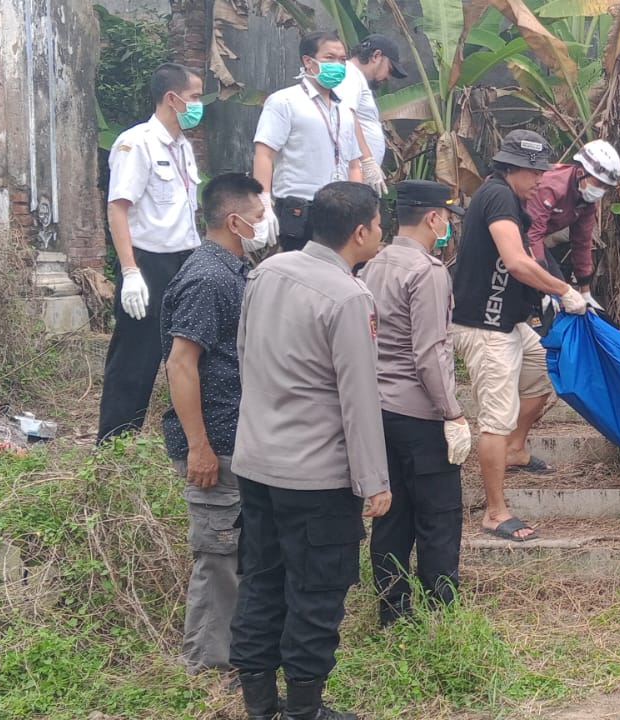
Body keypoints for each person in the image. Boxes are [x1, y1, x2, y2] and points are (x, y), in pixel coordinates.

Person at [230, 182, 392, 720]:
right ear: (360, 231)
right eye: (378, 223)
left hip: (256, 465)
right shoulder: (348, 296)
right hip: (316, 479)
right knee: (316, 593)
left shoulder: (264, 273)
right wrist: (375, 482)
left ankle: (259, 704)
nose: (381, 233)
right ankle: (303, 709)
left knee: (260, 580)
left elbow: (244, 355)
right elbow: (360, 398)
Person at [451, 129, 589, 542]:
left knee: (544, 371)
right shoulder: (497, 196)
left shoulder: (511, 198)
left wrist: (551, 294)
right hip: (484, 326)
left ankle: (515, 449)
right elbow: (515, 261)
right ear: (517, 168)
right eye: (535, 173)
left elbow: (528, 258)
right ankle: (495, 512)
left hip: (509, 324)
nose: (540, 181)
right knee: (494, 419)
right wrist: (562, 291)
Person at [160, 172, 269, 673]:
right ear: (234, 221)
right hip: (215, 437)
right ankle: (206, 668)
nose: (265, 224)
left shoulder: (231, 270)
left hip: (234, 433)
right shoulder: (209, 277)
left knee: (236, 553)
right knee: (219, 555)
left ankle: (234, 654)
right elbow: (181, 364)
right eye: (260, 216)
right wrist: (198, 446)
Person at [357, 180, 473, 627]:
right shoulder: (428, 272)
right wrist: (453, 412)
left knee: (392, 516)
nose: (447, 226)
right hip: (420, 412)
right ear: (433, 218)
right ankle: (440, 612)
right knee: (439, 515)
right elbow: (430, 353)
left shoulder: (372, 264)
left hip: (379, 410)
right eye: (446, 218)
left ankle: (392, 611)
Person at [97, 63, 205, 443]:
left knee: (192, 348)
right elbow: (118, 208)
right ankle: (114, 445)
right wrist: (129, 272)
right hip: (148, 261)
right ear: (172, 99)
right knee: (136, 355)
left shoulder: (183, 147)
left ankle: (190, 436)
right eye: (194, 97)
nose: (198, 105)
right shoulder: (136, 143)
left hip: (186, 259)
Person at [253, 31, 364, 253]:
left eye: (342, 60)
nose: (338, 65)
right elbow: (264, 154)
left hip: (340, 209)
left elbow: (353, 163)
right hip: (301, 208)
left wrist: (359, 204)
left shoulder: (344, 110)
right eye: (329, 58)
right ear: (308, 61)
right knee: (302, 276)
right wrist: (263, 201)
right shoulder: (285, 101)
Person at [525, 139, 620, 307]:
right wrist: (542, 289)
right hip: (511, 233)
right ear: (580, 173)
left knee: (561, 289)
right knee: (543, 293)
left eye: (606, 187)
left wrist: (585, 292)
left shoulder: (586, 199)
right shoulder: (550, 187)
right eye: (599, 184)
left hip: (531, 239)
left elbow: (582, 242)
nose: (601, 191)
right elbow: (532, 235)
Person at [333, 34, 409, 195]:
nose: (388, 77)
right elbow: (347, 114)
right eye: (389, 69)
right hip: (350, 175)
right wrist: (367, 160)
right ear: (376, 56)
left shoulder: (355, 78)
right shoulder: (350, 75)